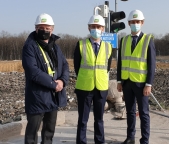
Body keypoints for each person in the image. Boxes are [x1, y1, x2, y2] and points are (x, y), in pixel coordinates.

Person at [22, 13, 69, 144]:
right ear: (36, 28)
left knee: (49, 132)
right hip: (37, 96)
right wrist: (53, 84)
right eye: (41, 27)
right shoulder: (29, 46)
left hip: (53, 96)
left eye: (47, 28)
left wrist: (63, 81)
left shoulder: (55, 46)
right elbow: (33, 72)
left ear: (52, 29)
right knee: (32, 133)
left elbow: (64, 64)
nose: (44, 30)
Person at [117, 10, 156, 144]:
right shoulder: (124, 40)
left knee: (144, 113)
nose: (135, 24)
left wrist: (149, 84)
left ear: (142, 23)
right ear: (128, 23)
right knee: (130, 112)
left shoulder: (147, 40)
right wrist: (119, 81)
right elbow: (120, 62)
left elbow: (151, 64)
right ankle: (130, 137)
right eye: (133, 22)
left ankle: (144, 140)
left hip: (141, 84)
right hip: (127, 82)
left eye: (137, 22)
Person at [73, 14, 112, 144]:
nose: (96, 29)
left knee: (99, 119)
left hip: (101, 87)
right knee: (83, 119)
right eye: (93, 26)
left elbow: (107, 67)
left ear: (103, 28)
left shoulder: (108, 46)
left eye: (99, 26)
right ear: (89, 28)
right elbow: (77, 67)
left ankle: (100, 141)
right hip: (85, 87)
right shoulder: (80, 44)